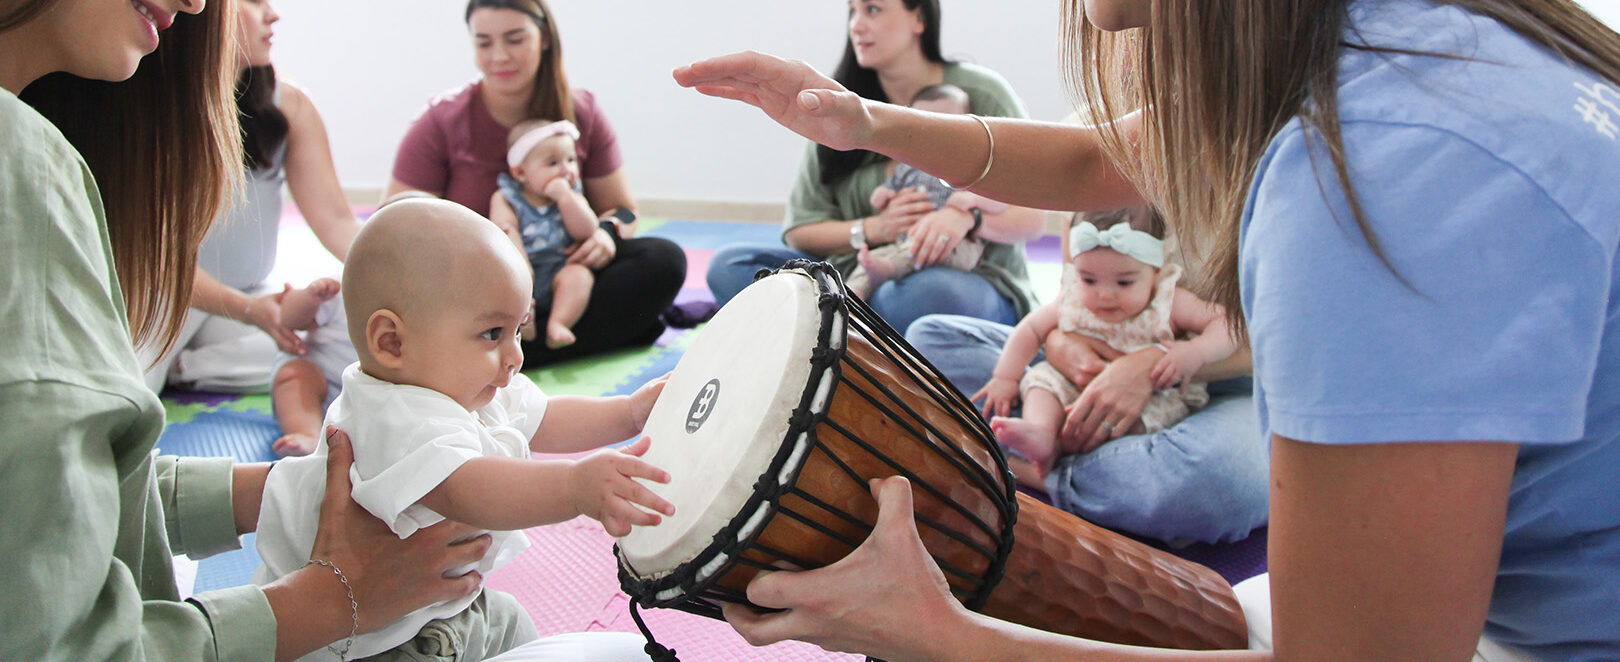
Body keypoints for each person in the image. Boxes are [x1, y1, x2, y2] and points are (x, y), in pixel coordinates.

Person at [672, 0, 1620, 657]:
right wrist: (859, 119)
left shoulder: (1375, 169)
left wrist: (945, 638)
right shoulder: (1407, 45)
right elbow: (1095, 158)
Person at [0, 1, 509, 659]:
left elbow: (57, 503)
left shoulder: (277, 107)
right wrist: (333, 599)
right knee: (486, 625)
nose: (194, 4)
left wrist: (288, 488)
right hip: (215, 313)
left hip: (261, 308)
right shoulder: (28, 171)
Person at [253, 199, 674, 661]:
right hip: (373, 643)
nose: (515, 355)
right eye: (493, 333)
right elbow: (467, 489)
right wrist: (576, 487)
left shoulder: (462, 383)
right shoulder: (389, 416)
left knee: (511, 619)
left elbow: (545, 417)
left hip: (439, 607)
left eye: (519, 330)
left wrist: (629, 412)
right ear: (392, 342)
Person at [703, 0, 1047, 335]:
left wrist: (966, 218)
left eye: (873, 9)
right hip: (853, 277)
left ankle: (831, 332)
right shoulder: (837, 102)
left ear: (919, 18)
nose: (857, 24)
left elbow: (1033, 218)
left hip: (963, 280)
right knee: (730, 267)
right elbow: (801, 230)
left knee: (914, 296)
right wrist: (875, 228)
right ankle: (852, 329)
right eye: (852, 11)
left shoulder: (979, 93)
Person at [387, 0, 686, 368]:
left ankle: (499, 354)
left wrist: (606, 233)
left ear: (544, 37)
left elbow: (623, 209)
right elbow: (394, 226)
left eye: (514, 39)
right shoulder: (442, 119)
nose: (499, 56)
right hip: (474, 283)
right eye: (483, 43)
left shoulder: (582, 110)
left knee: (663, 259)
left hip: (563, 275)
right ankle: (564, 340)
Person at [137, 0, 368, 396]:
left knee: (344, 338)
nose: (273, 14)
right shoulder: (156, 108)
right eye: (255, 1)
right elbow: (162, 262)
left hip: (250, 296)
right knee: (127, 381)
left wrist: (400, 268)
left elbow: (336, 221)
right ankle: (179, 368)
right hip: (168, 298)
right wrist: (250, 312)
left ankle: (186, 369)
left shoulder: (290, 104)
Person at [974, 209, 1237, 490]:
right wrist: (1005, 379)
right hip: (1071, 385)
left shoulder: (1168, 301)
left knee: (1159, 442)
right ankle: (1043, 434)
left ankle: (1053, 462)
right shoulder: (1073, 295)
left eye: (1124, 282)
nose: (1105, 294)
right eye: (1089, 280)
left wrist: (1196, 351)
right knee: (1040, 384)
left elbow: (1228, 324)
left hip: (1147, 400)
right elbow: (1031, 330)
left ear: (1155, 272)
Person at [846, 83, 1010, 299]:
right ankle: (852, 297)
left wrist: (972, 201)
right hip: (906, 240)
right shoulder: (908, 164)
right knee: (870, 260)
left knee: (920, 252)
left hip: (956, 245)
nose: (935, 136)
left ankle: (888, 269)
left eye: (946, 126)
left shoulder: (969, 166)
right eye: (925, 126)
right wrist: (883, 195)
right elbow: (890, 188)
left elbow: (1001, 201)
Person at [490, 119, 602, 349]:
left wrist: (565, 198)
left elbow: (587, 230)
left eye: (571, 160)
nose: (566, 169)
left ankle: (559, 323)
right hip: (522, 270)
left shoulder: (572, 195)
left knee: (580, 276)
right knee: (498, 287)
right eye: (553, 163)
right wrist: (523, 273)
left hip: (560, 268)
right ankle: (521, 322)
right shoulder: (506, 197)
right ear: (521, 172)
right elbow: (504, 232)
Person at [268, 277, 353, 456]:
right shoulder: (344, 290)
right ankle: (306, 434)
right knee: (294, 375)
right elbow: (290, 319)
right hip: (322, 378)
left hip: (375, 395)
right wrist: (309, 298)